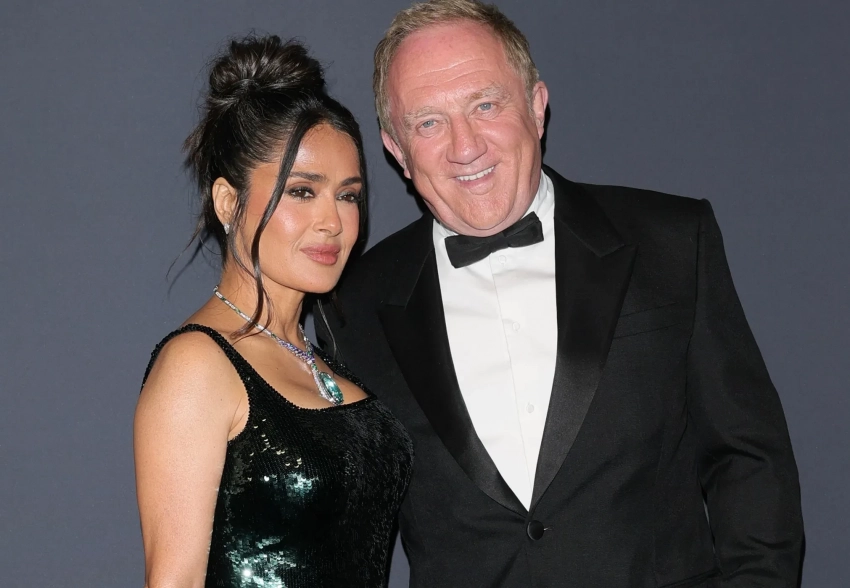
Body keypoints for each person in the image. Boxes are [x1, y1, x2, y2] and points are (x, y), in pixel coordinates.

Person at [315, 1, 804, 586]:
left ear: (537, 107)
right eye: (428, 123)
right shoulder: (351, 308)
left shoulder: (671, 243)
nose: (465, 146)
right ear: (397, 149)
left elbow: (750, 461)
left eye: (485, 105)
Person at [134, 35, 413, 588]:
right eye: (303, 192)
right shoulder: (197, 365)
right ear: (228, 202)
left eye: (349, 195)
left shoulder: (327, 359)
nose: (333, 222)